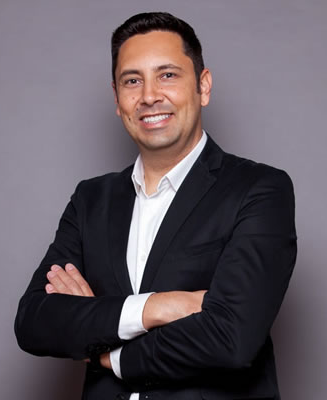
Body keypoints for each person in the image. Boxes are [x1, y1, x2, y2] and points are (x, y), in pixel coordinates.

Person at [15, 12, 297, 400]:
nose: (149, 96)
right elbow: (34, 321)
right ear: (117, 99)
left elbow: (232, 338)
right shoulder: (90, 200)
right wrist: (158, 307)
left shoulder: (259, 190)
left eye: (167, 75)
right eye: (132, 81)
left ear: (203, 86)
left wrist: (107, 353)